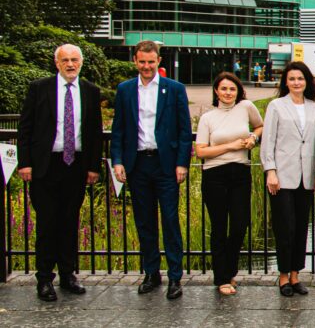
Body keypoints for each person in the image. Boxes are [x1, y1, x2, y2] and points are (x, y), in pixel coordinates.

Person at [16, 44, 102, 302]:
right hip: (45, 165)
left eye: (74, 60)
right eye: (65, 60)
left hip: (74, 165)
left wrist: (93, 167)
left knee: (69, 222)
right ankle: (44, 279)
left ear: (81, 62)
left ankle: (68, 274)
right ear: (57, 63)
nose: (70, 64)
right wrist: (25, 163)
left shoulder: (90, 91)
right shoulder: (39, 88)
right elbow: (25, 128)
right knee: (46, 223)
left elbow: (95, 132)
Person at [110, 40, 192, 300]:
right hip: (137, 164)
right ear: (135, 61)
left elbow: (184, 129)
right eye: (142, 61)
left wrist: (182, 163)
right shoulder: (124, 90)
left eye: (151, 61)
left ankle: (175, 277)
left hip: (165, 164)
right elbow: (119, 129)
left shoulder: (174, 89)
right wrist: (118, 161)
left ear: (158, 61)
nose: (146, 66)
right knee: (144, 221)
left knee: (170, 221)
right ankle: (151, 273)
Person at [194, 72, 263, 296]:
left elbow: (260, 126)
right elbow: (200, 151)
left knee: (239, 224)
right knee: (219, 227)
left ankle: (230, 270)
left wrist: (253, 138)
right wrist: (231, 146)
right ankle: (222, 277)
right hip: (214, 174)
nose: (227, 93)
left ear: (238, 91)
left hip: (240, 173)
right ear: (216, 91)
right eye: (223, 88)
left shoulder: (246, 107)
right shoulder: (208, 118)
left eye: (232, 89)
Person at [260, 61, 315, 297]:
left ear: (307, 81)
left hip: (306, 176)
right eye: (292, 79)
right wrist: (270, 170)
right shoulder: (276, 106)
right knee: (284, 226)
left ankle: (296, 274)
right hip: (282, 175)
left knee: (300, 228)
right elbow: (268, 140)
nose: (296, 82)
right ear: (285, 82)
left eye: (300, 78)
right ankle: (284, 275)